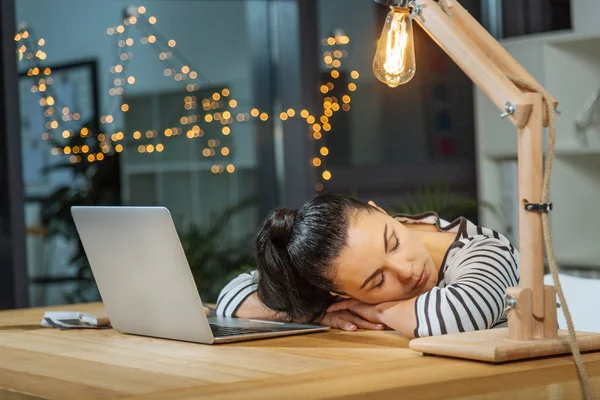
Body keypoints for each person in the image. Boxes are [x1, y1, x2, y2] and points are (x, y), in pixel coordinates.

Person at [215, 194, 519, 338]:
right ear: (340, 294)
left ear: (381, 211)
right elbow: (231, 297)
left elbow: (460, 315)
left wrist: (373, 310)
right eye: (377, 281)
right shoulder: (339, 283)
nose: (406, 270)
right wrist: (318, 314)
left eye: (394, 242)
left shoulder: (487, 251)